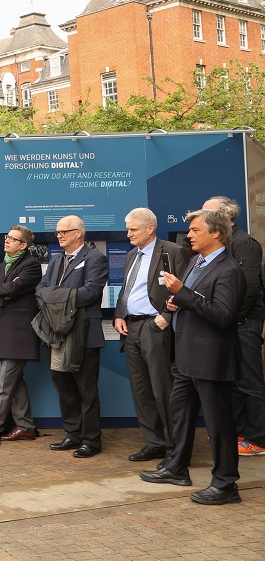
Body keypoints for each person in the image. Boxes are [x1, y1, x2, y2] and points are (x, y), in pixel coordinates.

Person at [140, 208, 246, 505]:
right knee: (180, 414)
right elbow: (194, 300)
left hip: (211, 359)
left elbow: (224, 316)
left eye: (196, 230)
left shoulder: (230, 270)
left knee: (219, 424)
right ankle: (176, 467)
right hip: (185, 355)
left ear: (216, 233)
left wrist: (183, 293)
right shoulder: (196, 261)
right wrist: (176, 303)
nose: (189, 235)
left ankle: (226, 484)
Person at [112, 208, 186, 463]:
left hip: (155, 327)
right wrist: (120, 314)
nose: (128, 233)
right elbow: (127, 289)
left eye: (133, 229)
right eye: (128, 229)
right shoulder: (132, 255)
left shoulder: (172, 251)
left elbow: (185, 289)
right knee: (141, 389)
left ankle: (177, 448)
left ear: (150, 228)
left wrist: (168, 316)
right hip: (130, 328)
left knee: (162, 388)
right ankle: (154, 442)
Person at [38, 215, 110, 458]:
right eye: (57, 232)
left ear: (78, 233)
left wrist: (56, 297)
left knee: (86, 390)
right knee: (63, 385)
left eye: (64, 232)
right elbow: (40, 290)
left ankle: (92, 440)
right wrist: (62, 296)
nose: (59, 236)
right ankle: (73, 433)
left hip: (84, 333)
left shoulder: (94, 259)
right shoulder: (57, 260)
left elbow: (90, 293)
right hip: (57, 333)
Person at [201, 196, 265, 457]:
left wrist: (228, 317)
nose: (200, 217)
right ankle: (237, 433)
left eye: (206, 212)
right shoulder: (218, 244)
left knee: (250, 381)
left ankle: (258, 439)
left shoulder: (244, 243)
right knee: (233, 381)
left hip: (243, 322)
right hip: (226, 323)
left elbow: (248, 288)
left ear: (226, 215)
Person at [0, 226, 43, 447]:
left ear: (24, 244)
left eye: (12, 238)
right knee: (15, 381)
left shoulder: (32, 265)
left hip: (20, 333)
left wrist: (5, 290)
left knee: (6, 382)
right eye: (7, 237)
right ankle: (25, 427)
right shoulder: (3, 265)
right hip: (5, 331)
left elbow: (13, 288)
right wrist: (4, 293)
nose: (6, 241)